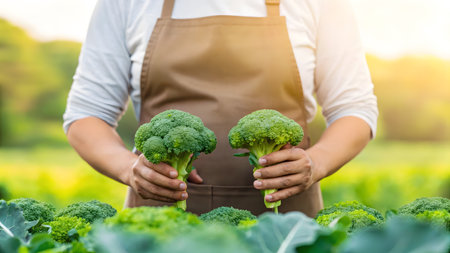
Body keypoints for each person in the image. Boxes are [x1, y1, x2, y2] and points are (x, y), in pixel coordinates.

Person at [64, 0, 378, 217]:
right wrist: (127, 169)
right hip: (159, 229)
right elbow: (86, 115)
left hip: (285, 226)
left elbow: (355, 108)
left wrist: (316, 162)